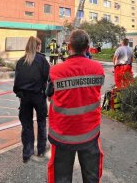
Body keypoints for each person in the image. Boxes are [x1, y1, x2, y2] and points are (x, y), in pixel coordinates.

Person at [46, 30, 105, 183]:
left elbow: (49, 95)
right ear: (87, 47)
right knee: (91, 177)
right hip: (89, 132)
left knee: (62, 178)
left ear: (69, 46)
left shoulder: (55, 71)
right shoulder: (98, 69)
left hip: (63, 133)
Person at [13, 36, 50, 162]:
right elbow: (47, 79)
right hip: (38, 95)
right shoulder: (42, 60)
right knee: (41, 122)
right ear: (38, 46)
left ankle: (27, 152)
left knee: (27, 124)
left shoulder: (20, 61)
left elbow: (16, 82)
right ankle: (41, 149)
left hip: (24, 97)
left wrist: (19, 93)